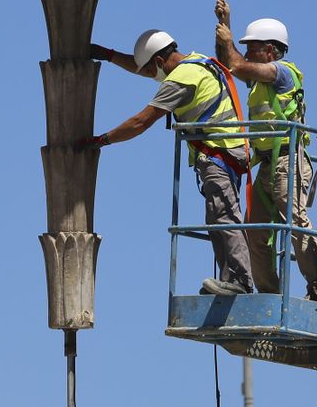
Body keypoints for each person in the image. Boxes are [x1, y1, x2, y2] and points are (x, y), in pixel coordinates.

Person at [87, 29, 253, 296]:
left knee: (223, 217)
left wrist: (101, 141)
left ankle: (240, 282)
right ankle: (230, 280)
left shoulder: (179, 81)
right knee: (218, 217)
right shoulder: (199, 63)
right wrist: (109, 55)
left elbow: (141, 122)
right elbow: (147, 69)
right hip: (230, 151)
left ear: (158, 61)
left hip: (217, 155)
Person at [213, 0, 317, 302]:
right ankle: (269, 295)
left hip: (288, 161)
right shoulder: (256, 79)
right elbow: (228, 65)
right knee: (256, 231)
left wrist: (229, 36)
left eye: (254, 47)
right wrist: (223, 27)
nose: (248, 52)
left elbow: (236, 64)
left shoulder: (283, 73)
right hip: (267, 164)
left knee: (295, 221)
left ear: (271, 50)